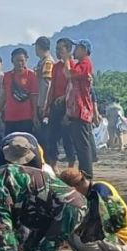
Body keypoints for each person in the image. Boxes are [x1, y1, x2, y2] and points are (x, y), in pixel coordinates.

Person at [60, 166, 127, 251]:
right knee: (70, 234)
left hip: (125, 246)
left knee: (81, 237)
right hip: (113, 245)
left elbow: (109, 222)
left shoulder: (101, 189)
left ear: (75, 186)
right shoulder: (85, 195)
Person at [42, 39, 75, 167]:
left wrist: (65, 96)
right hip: (55, 106)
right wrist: (47, 106)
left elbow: (74, 86)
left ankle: (71, 164)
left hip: (68, 106)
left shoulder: (73, 65)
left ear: (68, 50)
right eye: (56, 49)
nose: (57, 52)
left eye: (60, 49)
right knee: (52, 136)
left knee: (67, 136)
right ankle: (53, 164)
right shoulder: (56, 67)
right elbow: (52, 87)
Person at [66, 40, 96, 178]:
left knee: (83, 146)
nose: (74, 50)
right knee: (80, 144)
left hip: (81, 110)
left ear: (83, 49)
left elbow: (69, 74)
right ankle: (84, 173)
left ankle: (86, 175)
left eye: (76, 48)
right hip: (77, 109)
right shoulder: (82, 63)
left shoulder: (85, 63)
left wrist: (67, 60)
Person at [2, 47, 39, 137]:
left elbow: (34, 97)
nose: (19, 63)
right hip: (10, 118)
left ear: (26, 59)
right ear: (12, 61)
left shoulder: (31, 75)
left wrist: (35, 115)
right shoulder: (6, 76)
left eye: (22, 60)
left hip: (26, 118)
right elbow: (3, 96)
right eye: (17, 60)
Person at [34, 37, 55, 158]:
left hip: (43, 103)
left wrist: (44, 104)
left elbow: (47, 85)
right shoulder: (41, 62)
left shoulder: (47, 62)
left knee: (45, 136)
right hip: (41, 102)